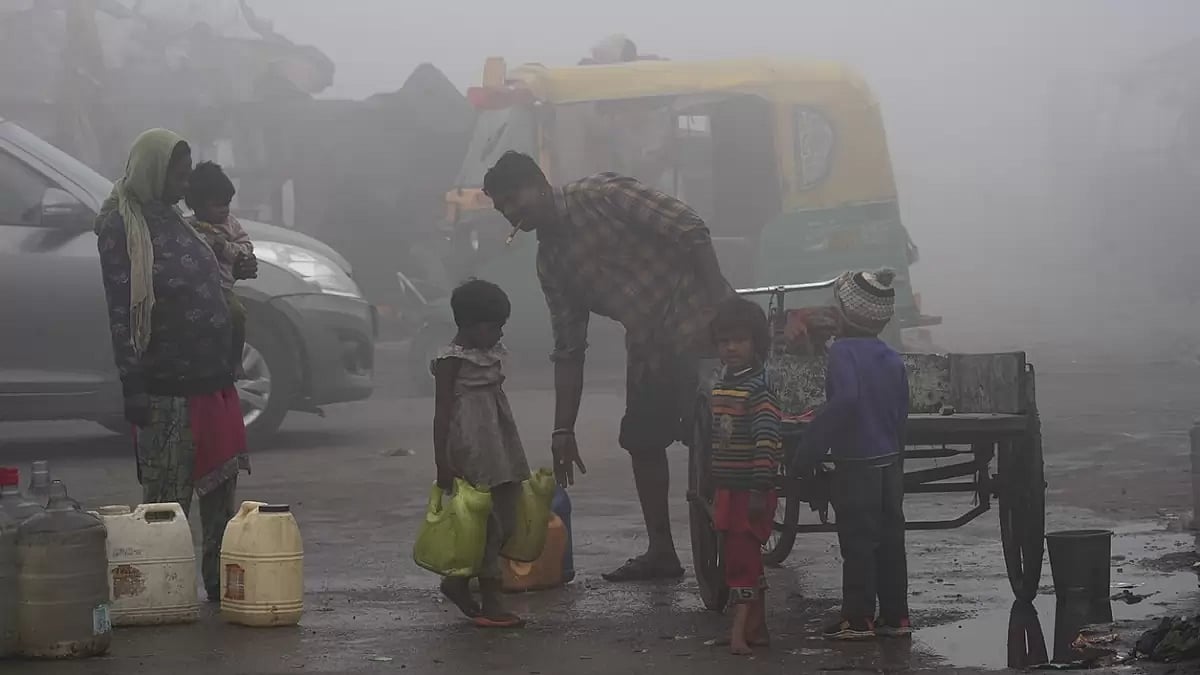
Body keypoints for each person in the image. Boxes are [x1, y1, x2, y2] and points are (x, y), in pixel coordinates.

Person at [482, 151, 732, 582]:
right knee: (641, 439)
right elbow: (569, 350)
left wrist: (723, 311)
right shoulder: (552, 265)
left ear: (540, 182)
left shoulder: (603, 196)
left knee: (717, 438)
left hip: (701, 322)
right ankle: (662, 553)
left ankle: (733, 538)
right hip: (649, 343)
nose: (511, 213)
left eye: (513, 198)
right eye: (502, 207)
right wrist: (564, 430)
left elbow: (690, 230)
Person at [95, 128, 251, 602]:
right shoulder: (121, 225)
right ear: (153, 171)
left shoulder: (176, 220)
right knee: (167, 507)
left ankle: (222, 590)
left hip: (213, 381)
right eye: (177, 175)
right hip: (167, 388)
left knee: (222, 500)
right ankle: (164, 596)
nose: (185, 185)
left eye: (187, 175)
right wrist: (133, 385)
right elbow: (121, 310)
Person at [790, 268, 911, 640]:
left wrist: (810, 448)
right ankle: (896, 617)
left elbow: (845, 401)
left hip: (856, 462)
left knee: (858, 541)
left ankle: (857, 619)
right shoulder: (890, 356)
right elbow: (902, 407)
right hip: (889, 461)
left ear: (843, 313)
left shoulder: (842, 352)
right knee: (890, 539)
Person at [432, 279, 530, 628]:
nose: (499, 334)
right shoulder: (450, 361)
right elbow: (442, 412)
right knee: (487, 523)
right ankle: (491, 601)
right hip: (471, 444)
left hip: (499, 440)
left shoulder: (490, 351)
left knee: (507, 516)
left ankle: (457, 582)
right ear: (470, 325)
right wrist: (442, 461)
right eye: (495, 326)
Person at [708, 297, 782, 655]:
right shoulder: (721, 386)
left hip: (750, 491)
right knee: (744, 559)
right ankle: (757, 628)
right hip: (728, 489)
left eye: (739, 340)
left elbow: (767, 442)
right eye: (724, 341)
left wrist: (758, 488)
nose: (731, 347)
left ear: (757, 344)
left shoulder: (757, 391)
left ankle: (739, 632)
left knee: (741, 562)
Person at [184, 161, 257, 377]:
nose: (225, 210)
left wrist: (224, 247)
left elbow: (246, 249)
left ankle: (236, 361)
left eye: (227, 204)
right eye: (218, 205)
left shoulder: (231, 225)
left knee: (236, 314)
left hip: (223, 288)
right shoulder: (188, 226)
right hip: (196, 290)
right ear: (198, 205)